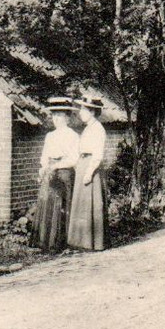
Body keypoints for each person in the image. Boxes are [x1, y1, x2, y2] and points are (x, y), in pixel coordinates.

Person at [30, 96, 79, 252]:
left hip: (64, 174)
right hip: (50, 174)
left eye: (60, 115)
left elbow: (74, 159)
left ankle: (60, 242)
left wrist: (57, 166)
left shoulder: (72, 135)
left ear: (67, 117)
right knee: (47, 204)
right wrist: (44, 167)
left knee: (62, 206)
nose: (56, 119)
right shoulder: (50, 136)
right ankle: (44, 242)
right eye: (54, 115)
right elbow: (44, 156)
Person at [67, 93, 109, 251]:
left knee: (90, 203)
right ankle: (81, 240)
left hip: (91, 167)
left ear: (92, 112)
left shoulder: (98, 129)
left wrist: (89, 172)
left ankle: (93, 241)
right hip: (83, 164)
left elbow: (97, 154)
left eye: (83, 110)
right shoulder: (87, 129)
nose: (80, 113)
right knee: (81, 203)